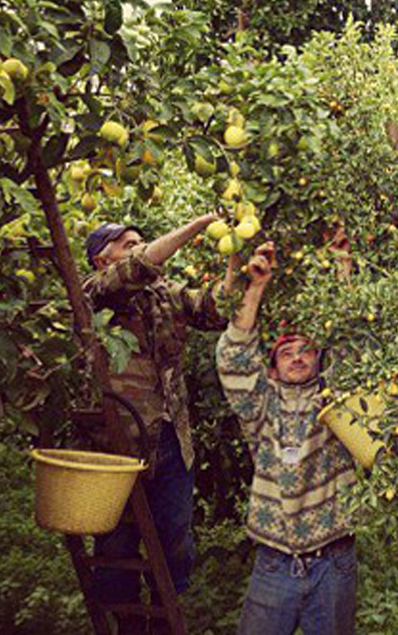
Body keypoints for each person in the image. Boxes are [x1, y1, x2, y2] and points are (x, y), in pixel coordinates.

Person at [83, 214, 233, 634]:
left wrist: (236, 258)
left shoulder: (165, 295)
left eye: (139, 240)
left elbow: (214, 309)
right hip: (118, 446)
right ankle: (128, 623)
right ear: (101, 259)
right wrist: (201, 223)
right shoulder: (93, 293)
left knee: (175, 546)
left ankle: (163, 623)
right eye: (127, 243)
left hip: (169, 439)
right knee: (116, 551)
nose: (139, 246)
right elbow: (140, 266)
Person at [216, 242, 357, 635]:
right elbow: (234, 359)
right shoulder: (262, 408)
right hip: (274, 561)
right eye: (286, 353)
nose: (297, 357)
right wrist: (256, 287)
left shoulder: (337, 400)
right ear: (273, 368)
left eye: (306, 351)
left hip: (334, 560)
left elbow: (352, 342)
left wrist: (342, 267)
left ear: (318, 359)